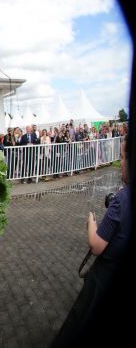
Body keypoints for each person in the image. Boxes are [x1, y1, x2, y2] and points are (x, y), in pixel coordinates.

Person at [52, 137, 131, 347]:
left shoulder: (122, 200)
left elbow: (97, 246)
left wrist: (91, 224)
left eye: (123, 157)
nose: (121, 162)